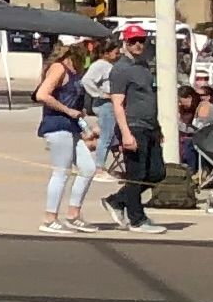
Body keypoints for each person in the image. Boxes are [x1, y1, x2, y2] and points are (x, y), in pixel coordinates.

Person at [103, 25, 170, 231]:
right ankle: (136, 218)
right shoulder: (121, 69)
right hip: (132, 126)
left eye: (141, 40)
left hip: (149, 126)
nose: (138, 44)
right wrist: (125, 134)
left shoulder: (144, 66)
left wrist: (157, 127)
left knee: (157, 173)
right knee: (136, 174)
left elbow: (149, 98)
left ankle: (118, 200)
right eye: (133, 41)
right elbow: (117, 103)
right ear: (125, 43)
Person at [34, 33, 99, 233]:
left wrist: (81, 117)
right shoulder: (58, 67)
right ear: (74, 47)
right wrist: (67, 109)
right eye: (85, 45)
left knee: (88, 168)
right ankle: (49, 218)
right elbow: (41, 94)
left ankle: (73, 214)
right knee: (61, 172)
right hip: (57, 125)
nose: (89, 49)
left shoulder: (76, 69)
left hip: (72, 126)